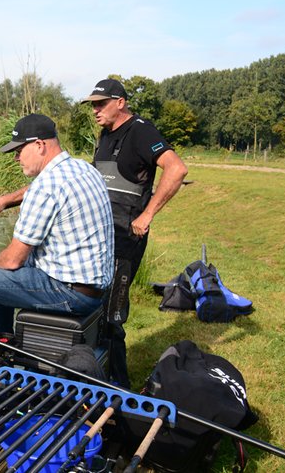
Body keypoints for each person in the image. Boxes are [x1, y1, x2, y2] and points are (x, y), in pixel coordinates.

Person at [0, 113, 115, 334]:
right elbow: (43, 189)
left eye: (19, 152)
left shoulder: (45, 187)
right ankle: (0, 344)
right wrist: (5, 200)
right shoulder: (84, 169)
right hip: (94, 288)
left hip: (68, 293)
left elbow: (13, 260)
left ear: (39, 145)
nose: (16, 159)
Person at [82, 78, 188, 388]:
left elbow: (177, 168)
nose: (95, 110)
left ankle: (119, 388)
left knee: (113, 313)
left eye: (101, 103)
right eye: (93, 105)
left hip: (126, 239)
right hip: (100, 234)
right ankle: (93, 376)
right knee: (92, 308)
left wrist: (147, 214)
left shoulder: (141, 130)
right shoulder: (105, 135)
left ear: (120, 102)